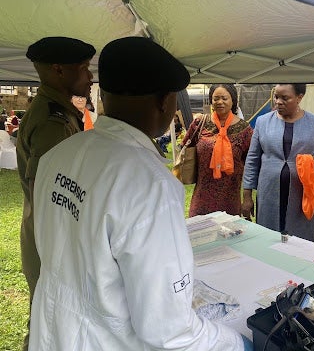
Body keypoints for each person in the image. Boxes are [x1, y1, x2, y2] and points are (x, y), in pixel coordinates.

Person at [29, 36, 251, 351]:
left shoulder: (61, 154)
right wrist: (237, 343)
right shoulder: (149, 184)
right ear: (164, 102)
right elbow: (169, 327)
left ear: (103, 94)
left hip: (54, 332)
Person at [16, 36, 95, 351]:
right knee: (48, 322)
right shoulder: (53, 122)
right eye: (84, 69)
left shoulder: (57, 111)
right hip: (51, 241)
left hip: (48, 237)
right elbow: (51, 197)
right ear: (60, 71)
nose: (90, 77)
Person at [241, 84, 314, 243]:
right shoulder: (263, 122)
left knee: (300, 243)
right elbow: (252, 159)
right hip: (269, 193)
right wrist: (247, 196)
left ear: (299, 97)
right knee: (267, 240)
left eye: (285, 98)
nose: (278, 101)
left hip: (302, 195)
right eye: (276, 97)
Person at [185, 84, 253, 217]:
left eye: (224, 98)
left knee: (229, 234)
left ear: (233, 100)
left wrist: (247, 196)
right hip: (202, 196)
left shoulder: (245, 130)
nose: (220, 102)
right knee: (200, 234)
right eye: (216, 98)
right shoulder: (200, 123)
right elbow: (186, 146)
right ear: (211, 100)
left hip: (230, 198)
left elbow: (251, 164)